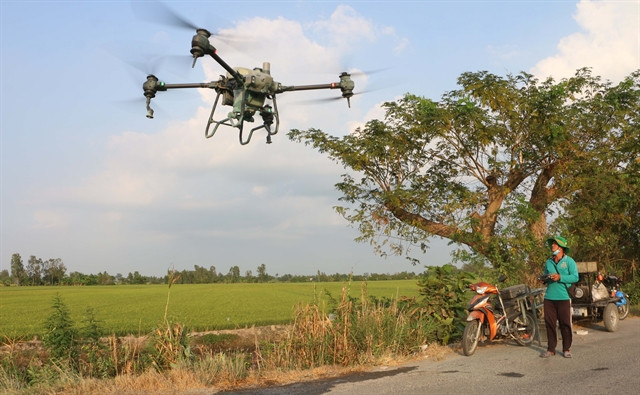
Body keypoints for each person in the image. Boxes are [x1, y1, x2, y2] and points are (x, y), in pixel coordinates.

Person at [540, 235, 578, 358]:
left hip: (563, 297)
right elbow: (546, 275)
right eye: (552, 244)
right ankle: (551, 349)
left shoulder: (569, 261)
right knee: (549, 323)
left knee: (565, 323)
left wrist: (560, 277)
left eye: (555, 244)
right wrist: (543, 279)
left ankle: (566, 348)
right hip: (549, 297)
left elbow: (575, 277)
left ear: (561, 247)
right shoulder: (548, 262)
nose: (552, 246)